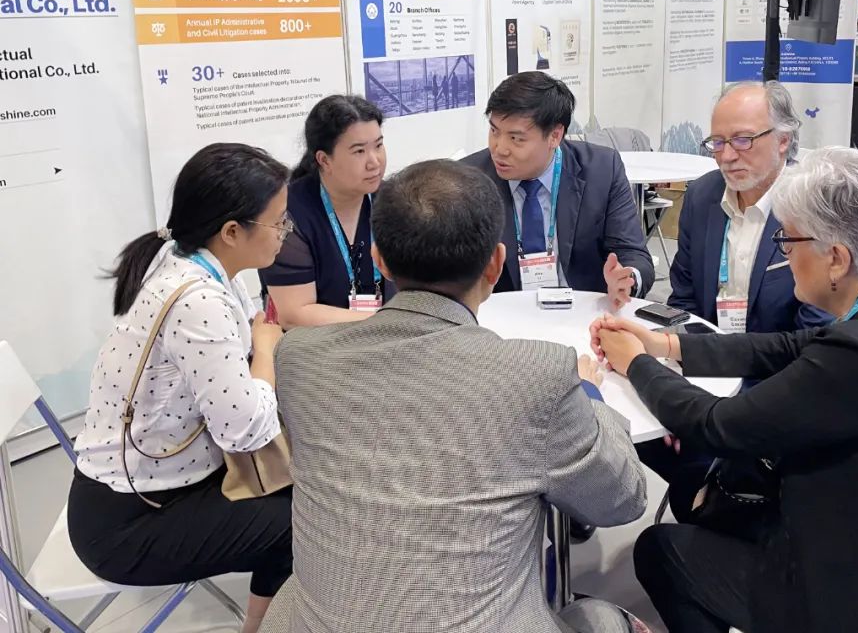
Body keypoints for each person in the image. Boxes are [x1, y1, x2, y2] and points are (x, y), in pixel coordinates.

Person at [592, 146, 858, 633]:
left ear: (836, 260)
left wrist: (635, 364)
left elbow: (716, 425)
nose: (784, 253)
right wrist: (668, 344)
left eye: (789, 239)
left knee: (662, 550)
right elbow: (790, 346)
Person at [265, 160, 647, 633]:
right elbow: (621, 500)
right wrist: (589, 393)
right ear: (496, 264)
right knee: (606, 618)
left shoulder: (299, 358)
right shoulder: (537, 375)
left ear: (380, 258)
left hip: (315, 622)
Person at [69, 144, 294, 633]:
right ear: (231, 232)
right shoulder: (197, 300)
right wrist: (265, 350)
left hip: (158, 484)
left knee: (304, 491)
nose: (285, 231)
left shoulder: (192, 263)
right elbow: (244, 431)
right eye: (279, 222)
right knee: (303, 525)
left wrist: (261, 348)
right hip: (128, 521)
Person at [652, 80, 830, 521]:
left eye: (743, 140)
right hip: (707, 374)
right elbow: (684, 301)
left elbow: (814, 340)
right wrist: (684, 392)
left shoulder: (812, 207)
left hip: (776, 394)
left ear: (784, 140)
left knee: (704, 493)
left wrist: (714, 413)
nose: (727, 155)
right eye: (717, 142)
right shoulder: (702, 197)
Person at [462, 71, 653, 308]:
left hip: (583, 316)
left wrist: (627, 279)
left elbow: (633, 254)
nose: (499, 149)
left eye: (516, 138)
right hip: (501, 318)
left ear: (554, 136)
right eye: (494, 131)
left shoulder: (601, 170)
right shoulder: (469, 178)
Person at [260, 95, 390, 328]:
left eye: (378, 146)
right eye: (359, 151)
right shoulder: (287, 212)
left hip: (389, 337)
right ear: (324, 160)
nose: (374, 162)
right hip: (318, 344)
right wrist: (389, 322)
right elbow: (293, 314)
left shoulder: (393, 199)